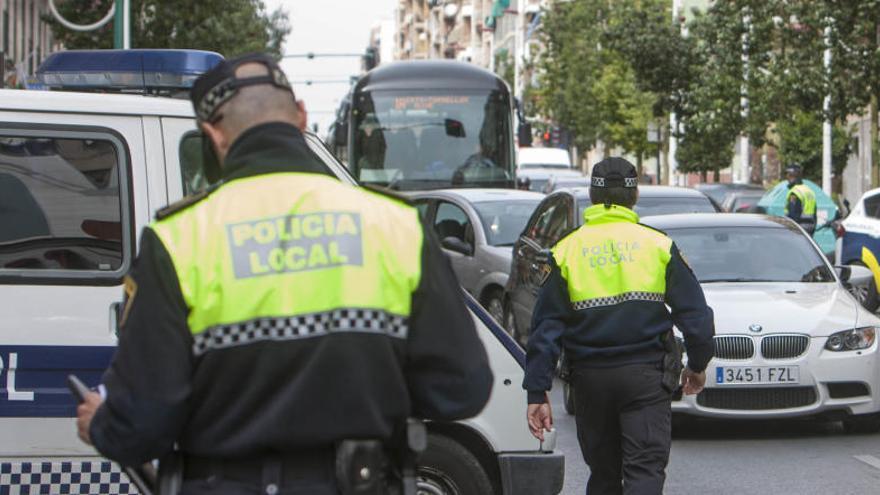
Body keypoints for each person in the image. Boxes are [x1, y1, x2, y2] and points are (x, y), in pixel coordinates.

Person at [74, 53, 493, 495]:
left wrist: (103, 423)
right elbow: (462, 388)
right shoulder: (394, 225)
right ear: (301, 116)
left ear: (213, 135)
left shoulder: (178, 240)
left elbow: (142, 426)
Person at [523, 157, 715, 495]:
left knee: (604, 475)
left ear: (593, 196)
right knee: (644, 472)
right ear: (635, 194)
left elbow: (545, 327)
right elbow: (695, 315)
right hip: (645, 378)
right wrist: (697, 365)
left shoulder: (567, 250)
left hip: (590, 381)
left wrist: (537, 391)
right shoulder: (657, 245)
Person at [784, 163, 818, 235]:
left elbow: (793, 216)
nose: (787, 178)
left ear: (793, 177)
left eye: (789, 176)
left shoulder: (795, 192)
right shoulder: (809, 190)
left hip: (799, 229)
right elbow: (815, 215)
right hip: (810, 228)